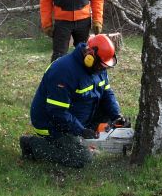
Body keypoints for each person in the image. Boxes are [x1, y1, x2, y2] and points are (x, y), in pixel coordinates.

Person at [20, 34, 126, 168]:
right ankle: (32, 145)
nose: (103, 69)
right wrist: (81, 130)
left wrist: (116, 115)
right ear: (89, 56)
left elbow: (106, 93)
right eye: (101, 66)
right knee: (81, 158)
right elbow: (57, 112)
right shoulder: (64, 71)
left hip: (78, 114)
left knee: (110, 120)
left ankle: (80, 138)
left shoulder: (98, 67)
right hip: (52, 123)